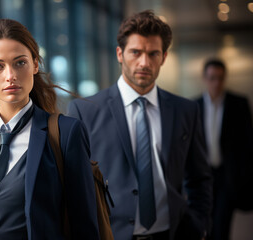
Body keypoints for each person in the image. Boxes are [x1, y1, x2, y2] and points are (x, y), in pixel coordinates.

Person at [0, 19, 100, 240]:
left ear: (35, 64)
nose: (10, 75)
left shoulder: (66, 133)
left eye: (19, 63)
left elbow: (84, 228)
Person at [68, 10, 212, 240]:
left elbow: (198, 177)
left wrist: (199, 225)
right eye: (135, 52)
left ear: (164, 57)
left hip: (174, 233)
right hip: (111, 235)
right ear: (120, 54)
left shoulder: (185, 110)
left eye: (153, 54)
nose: (144, 62)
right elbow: (75, 184)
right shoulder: (85, 110)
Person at [196, 59, 253, 240]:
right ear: (205, 78)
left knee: (222, 227)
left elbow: (248, 144)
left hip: (227, 177)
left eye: (220, 78)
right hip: (203, 178)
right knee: (204, 227)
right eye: (212, 78)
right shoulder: (193, 106)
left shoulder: (239, 104)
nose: (216, 83)